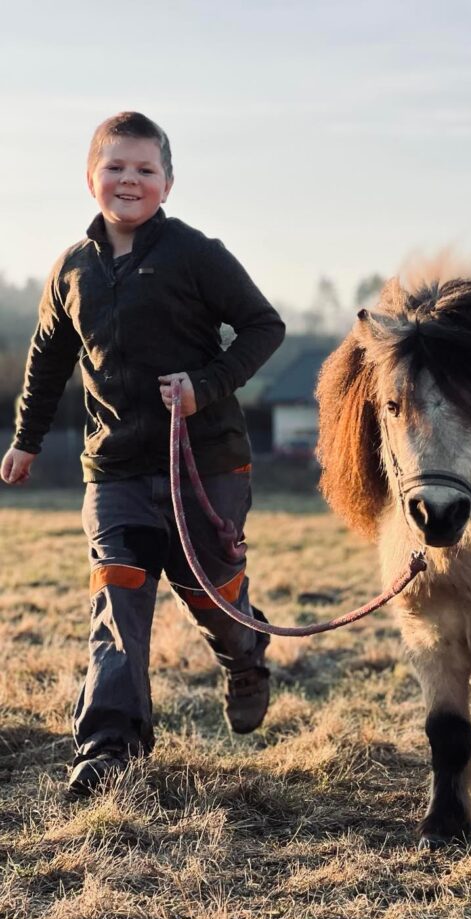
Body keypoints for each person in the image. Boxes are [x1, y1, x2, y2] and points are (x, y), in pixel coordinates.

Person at [1, 112, 285, 795]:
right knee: (118, 605)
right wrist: (26, 440)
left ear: (169, 181)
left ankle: (245, 655)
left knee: (210, 592)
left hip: (205, 459)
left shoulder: (195, 254)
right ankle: (108, 750)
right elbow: (47, 360)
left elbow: (263, 325)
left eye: (145, 169)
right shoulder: (72, 269)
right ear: (91, 177)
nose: (130, 180)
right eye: (116, 167)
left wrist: (205, 385)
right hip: (116, 468)